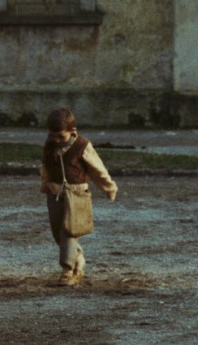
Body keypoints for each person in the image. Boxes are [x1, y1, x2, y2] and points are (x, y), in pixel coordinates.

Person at [40, 107, 118, 286]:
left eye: (61, 137)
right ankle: (78, 262)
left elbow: (97, 169)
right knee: (58, 233)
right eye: (53, 136)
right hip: (55, 194)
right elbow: (45, 165)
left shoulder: (82, 146)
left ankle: (67, 271)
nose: (57, 140)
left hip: (76, 194)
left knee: (69, 231)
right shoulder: (50, 144)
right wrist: (45, 184)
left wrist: (108, 187)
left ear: (72, 131)